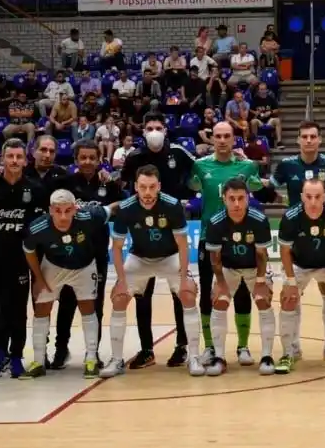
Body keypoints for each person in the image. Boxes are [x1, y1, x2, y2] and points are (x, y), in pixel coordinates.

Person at [103, 165, 201, 377]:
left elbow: (183, 245)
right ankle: (117, 359)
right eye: (143, 187)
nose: (147, 193)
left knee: (188, 293)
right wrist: (120, 280)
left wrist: (184, 278)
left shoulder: (172, 205)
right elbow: (118, 248)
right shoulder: (126, 208)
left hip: (169, 257)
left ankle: (193, 356)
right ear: (135, 187)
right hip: (140, 258)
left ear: (159, 187)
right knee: (118, 298)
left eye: (152, 187)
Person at [121, 116, 195, 368]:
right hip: (143, 231)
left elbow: (198, 171)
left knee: (180, 293)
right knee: (143, 295)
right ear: (143, 131)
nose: (154, 132)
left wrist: (190, 197)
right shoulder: (134, 157)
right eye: (150, 128)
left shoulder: (178, 152)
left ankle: (183, 346)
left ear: (166, 130)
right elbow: (123, 184)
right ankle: (146, 350)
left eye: (158, 128)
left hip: (172, 224)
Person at [188, 122, 264, 367]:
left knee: (242, 291)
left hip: (241, 238)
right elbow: (186, 184)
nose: (222, 140)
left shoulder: (247, 166)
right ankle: (210, 347)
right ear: (212, 139)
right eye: (217, 136)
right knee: (209, 292)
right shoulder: (199, 166)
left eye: (226, 136)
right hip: (209, 238)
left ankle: (242, 347)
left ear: (234, 139)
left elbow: (259, 188)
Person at [21, 189, 117, 379]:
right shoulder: (37, 228)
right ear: (50, 210)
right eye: (57, 211)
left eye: (67, 210)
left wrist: (138, 202)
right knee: (41, 309)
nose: (63, 216)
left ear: (75, 209)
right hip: (53, 265)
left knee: (88, 308)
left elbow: (113, 208)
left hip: (84, 266)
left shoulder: (90, 216)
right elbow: (28, 251)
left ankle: (91, 359)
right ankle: (39, 361)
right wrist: (39, 278)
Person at [270, 121, 325, 361]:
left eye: (313, 136)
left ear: (320, 139)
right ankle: (292, 347)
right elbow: (268, 189)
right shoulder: (286, 165)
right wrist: (286, 206)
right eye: (305, 136)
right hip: (297, 233)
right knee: (292, 294)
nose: (309, 140)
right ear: (298, 140)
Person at [0, 139, 48, 381]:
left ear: (25, 160)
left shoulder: (35, 189)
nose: (15, 161)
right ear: (2, 159)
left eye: (19, 157)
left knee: (17, 310)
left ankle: (15, 355)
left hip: (20, 261)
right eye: (10, 156)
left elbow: (40, 230)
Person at [50, 140, 122, 369]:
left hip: (97, 254)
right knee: (67, 303)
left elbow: (122, 204)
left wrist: (105, 208)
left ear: (100, 159)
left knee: (95, 304)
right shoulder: (65, 184)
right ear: (75, 160)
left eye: (92, 157)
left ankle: (94, 352)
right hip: (68, 254)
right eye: (83, 157)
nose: (88, 162)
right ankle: (61, 350)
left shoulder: (109, 184)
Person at [277, 180, 325, 373]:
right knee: (288, 299)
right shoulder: (291, 217)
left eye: (318, 197)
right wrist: (291, 282)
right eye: (309, 197)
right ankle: (289, 351)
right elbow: (285, 251)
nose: (313, 202)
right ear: (302, 197)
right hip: (299, 265)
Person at [203, 178, 275, 376]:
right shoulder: (216, 222)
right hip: (228, 268)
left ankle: (267, 356)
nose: (236, 204)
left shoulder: (259, 220)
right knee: (219, 301)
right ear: (224, 199)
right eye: (231, 199)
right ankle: (219, 357)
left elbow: (262, 255)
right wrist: (220, 283)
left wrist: (261, 282)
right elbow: (215, 258)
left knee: (263, 300)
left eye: (241, 198)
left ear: (248, 198)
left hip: (254, 268)